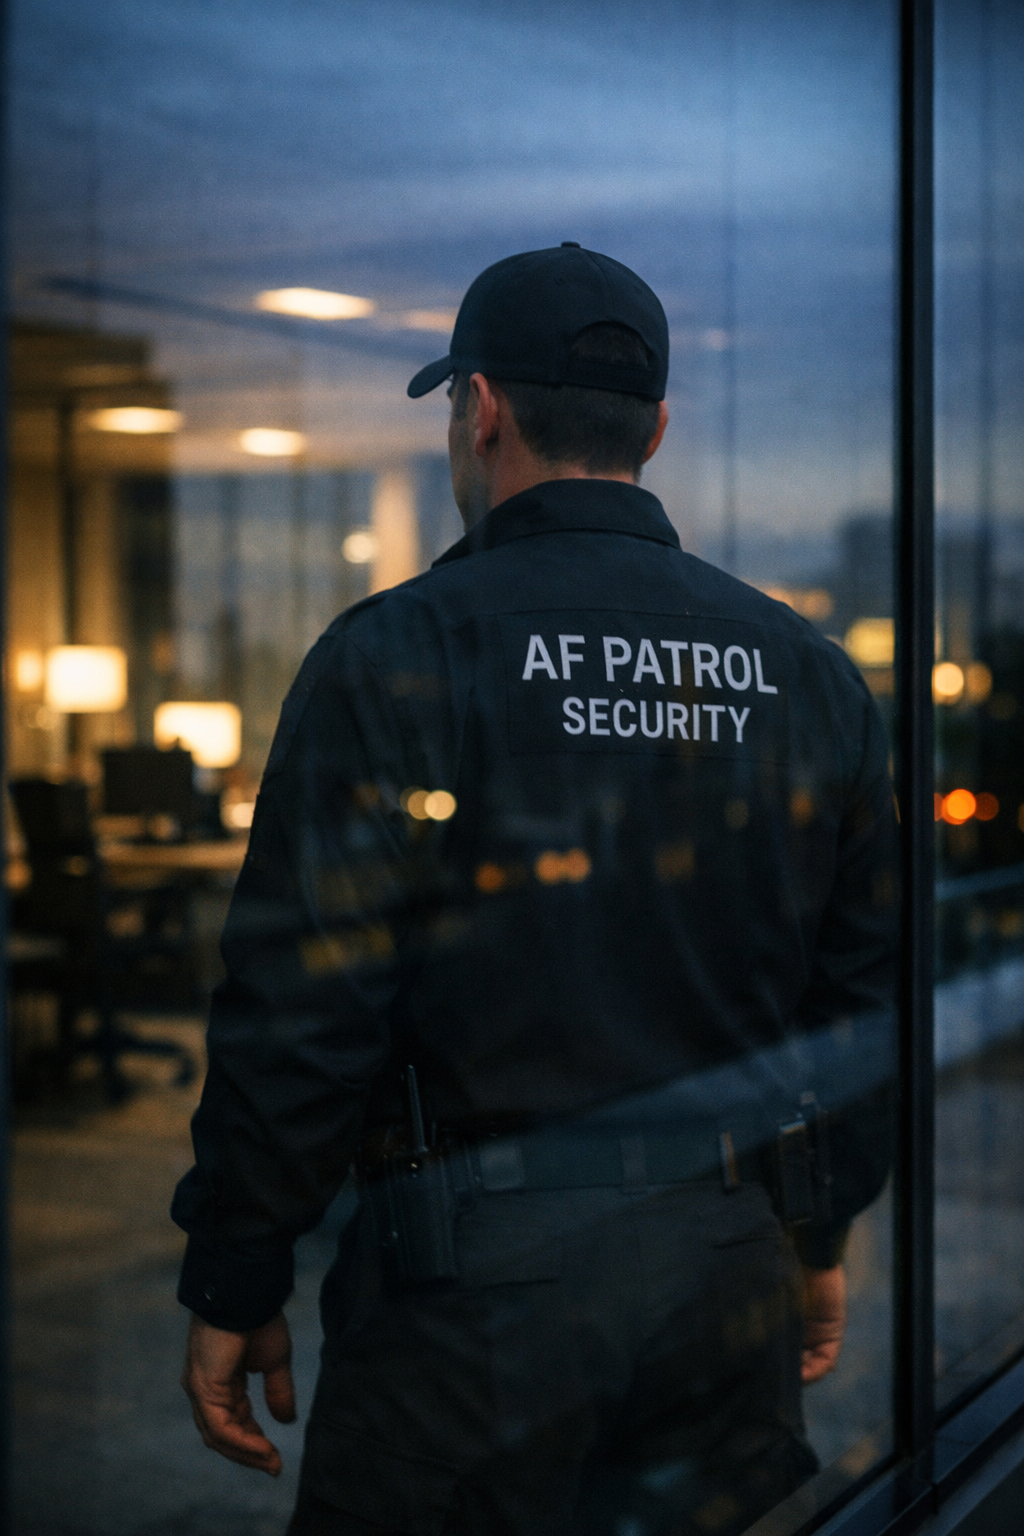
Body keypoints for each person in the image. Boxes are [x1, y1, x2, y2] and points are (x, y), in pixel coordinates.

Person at [174, 244, 896, 1536]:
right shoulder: (811, 676)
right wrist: (818, 1229)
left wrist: (237, 1271)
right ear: (657, 431)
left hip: (476, 1302)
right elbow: (860, 997)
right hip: (721, 1267)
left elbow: (302, 1008)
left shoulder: (399, 654)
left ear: (482, 410)